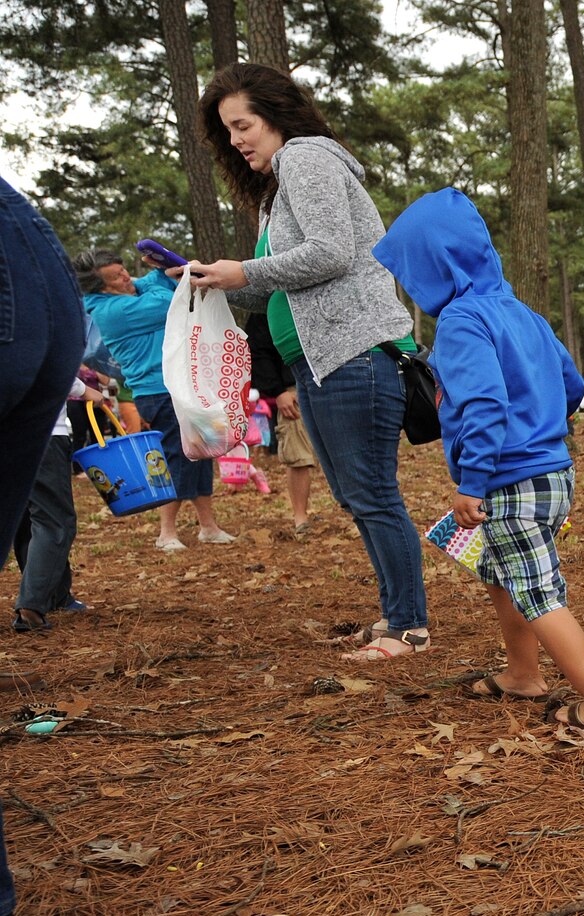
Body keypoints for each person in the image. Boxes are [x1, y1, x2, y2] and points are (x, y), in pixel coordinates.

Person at [192, 62, 430, 660]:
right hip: (320, 361)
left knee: (372, 494)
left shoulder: (306, 158)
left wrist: (242, 270)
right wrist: (214, 282)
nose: (237, 140)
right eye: (228, 132)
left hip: (354, 354)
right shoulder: (278, 191)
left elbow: (330, 253)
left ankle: (408, 626)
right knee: (357, 497)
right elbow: (280, 285)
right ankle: (394, 617)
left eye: (242, 124)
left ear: (273, 114)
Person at [373, 189, 584, 729]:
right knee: (502, 574)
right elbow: (572, 383)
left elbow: (484, 404)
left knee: (536, 591)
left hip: (509, 480)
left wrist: (475, 481)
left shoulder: (461, 320)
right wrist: (545, 422)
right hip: (552, 473)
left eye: (412, 274)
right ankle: (522, 674)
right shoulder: (521, 313)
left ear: (433, 267)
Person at [0, 174, 88, 916]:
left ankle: (37, 599)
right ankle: (39, 599)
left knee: (51, 518)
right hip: (33, 262)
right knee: (49, 518)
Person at [74, 248, 236, 552]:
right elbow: (167, 304)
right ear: (101, 288)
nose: (125, 277)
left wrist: (159, 272)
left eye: (122, 270)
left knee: (204, 450)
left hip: (186, 383)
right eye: (115, 278)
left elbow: (153, 283)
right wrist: (162, 275)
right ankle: (166, 532)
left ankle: (208, 526)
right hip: (156, 389)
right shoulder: (110, 311)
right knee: (175, 456)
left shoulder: (130, 292)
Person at [13, 373, 99, 630]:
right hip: (43, 431)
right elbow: (51, 362)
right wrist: (84, 389)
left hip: (9, 431)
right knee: (54, 522)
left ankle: (57, 595)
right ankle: (32, 606)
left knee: (27, 518)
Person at [245, 310, 318, 536]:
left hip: (329, 381)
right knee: (296, 456)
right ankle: (300, 518)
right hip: (291, 389)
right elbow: (257, 351)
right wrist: (277, 391)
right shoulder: (264, 304)